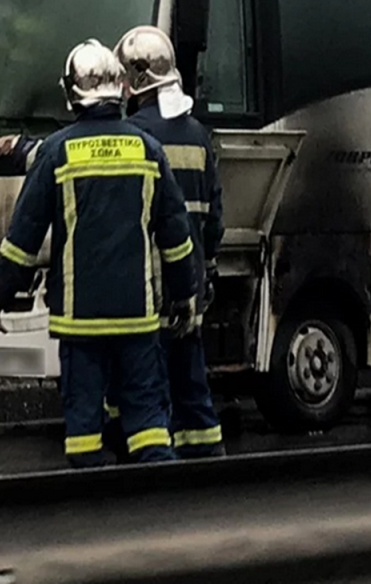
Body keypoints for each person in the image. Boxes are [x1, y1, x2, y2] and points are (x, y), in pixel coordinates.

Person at [0, 39, 197, 467]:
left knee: (83, 432)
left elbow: (24, 235)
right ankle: (164, 509)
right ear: (118, 88)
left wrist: (1, 294)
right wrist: (185, 296)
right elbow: (176, 237)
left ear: (72, 94)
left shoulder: (57, 152)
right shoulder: (147, 150)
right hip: (137, 318)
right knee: (148, 425)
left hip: (81, 323)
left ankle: (96, 519)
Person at [112, 25, 225, 459]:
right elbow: (214, 220)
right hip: (190, 285)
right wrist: (204, 270)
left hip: (147, 290)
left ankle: (159, 488)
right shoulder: (199, 134)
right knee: (194, 389)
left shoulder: (131, 134)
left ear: (137, 82)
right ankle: (210, 465)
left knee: (148, 395)